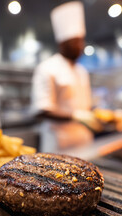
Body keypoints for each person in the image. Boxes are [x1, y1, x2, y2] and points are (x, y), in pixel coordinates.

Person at [31, 1, 101, 152]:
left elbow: (85, 107)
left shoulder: (82, 71)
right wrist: (76, 116)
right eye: (75, 42)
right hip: (58, 141)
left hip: (83, 139)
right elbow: (41, 110)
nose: (80, 47)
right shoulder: (47, 68)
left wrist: (102, 117)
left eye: (81, 41)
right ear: (62, 43)